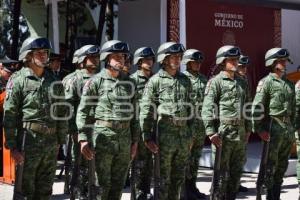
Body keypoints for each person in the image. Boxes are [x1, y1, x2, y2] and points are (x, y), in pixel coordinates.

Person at [3, 36, 68, 199]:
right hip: (28, 143)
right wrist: (13, 147)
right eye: (39, 53)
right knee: (24, 191)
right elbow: (9, 115)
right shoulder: (18, 80)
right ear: (28, 56)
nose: (44, 56)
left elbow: (61, 113)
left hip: (50, 144)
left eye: (45, 53)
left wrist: (60, 141)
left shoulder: (55, 82)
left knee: (45, 191)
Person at [76, 40, 139, 200]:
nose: (121, 60)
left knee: (118, 186)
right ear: (107, 58)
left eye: (123, 56)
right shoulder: (96, 81)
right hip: (103, 139)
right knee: (101, 186)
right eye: (116, 56)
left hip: (124, 140)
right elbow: (83, 111)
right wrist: (83, 138)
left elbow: (135, 114)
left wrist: (135, 141)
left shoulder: (130, 82)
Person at [139, 41, 193, 200]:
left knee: (178, 179)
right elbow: (147, 110)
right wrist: (147, 137)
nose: (177, 60)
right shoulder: (155, 81)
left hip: (183, 136)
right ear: (164, 59)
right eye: (173, 57)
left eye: (179, 56)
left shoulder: (185, 80)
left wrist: (190, 134)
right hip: (164, 135)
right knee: (162, 179)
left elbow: (191, 110)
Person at [201, 45, 251, 199]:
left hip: (240, 133)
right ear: (223, 61)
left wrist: (248, 129)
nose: (235, 62)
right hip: (224, 133)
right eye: (232, 60)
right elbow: (207, 108)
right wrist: (211, 132)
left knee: (236, 176)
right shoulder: (215, 82)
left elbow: (248, 107)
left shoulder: (242, 82)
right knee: (221, 177)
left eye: (236, 59)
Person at [252, 48, 295, 199]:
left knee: (282, 167)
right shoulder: (266, 82)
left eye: (284, 61)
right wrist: (259, 129)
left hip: (287, 130)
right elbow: (258, 107)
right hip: (273, 129)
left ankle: (276, 196)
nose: (284, 63)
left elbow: (294, 108)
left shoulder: (289, 84)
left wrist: (293, 127)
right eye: (281, 61)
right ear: (272, 63)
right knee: (270, 167)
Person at [62, 44, 101, 198]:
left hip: (98, 131)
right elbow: (67, 109)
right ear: (83, 60)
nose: (96, 60)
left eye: (97, 57)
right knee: (78, 168)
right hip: (80, 131)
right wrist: (75, 132)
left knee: (96, 170)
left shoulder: (101, 77)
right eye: (92, 57)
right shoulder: (73, 79)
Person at [130, 46, 156, 200]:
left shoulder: (154, 79)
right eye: (146, 59)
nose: (149, 62)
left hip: (151, 125)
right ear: (139, 62)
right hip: (138, 126)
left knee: (148, 163)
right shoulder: (132, 80)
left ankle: (146, 191)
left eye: (151, 59)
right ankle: (138, 193)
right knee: (139, 163)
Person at [181, 49, 207, 200]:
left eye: (199, 62)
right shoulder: (183, 79)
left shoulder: (204, 79)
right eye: (194, 62)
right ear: (188, 63)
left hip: (201, 126)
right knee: (186, 159)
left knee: (196, 159)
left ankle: (192, 186)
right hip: (188, 126)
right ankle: (184, 190)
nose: (197, 64)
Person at [236, 55, 251, 193]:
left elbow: (248, 106)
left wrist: (248, 128)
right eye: (241, 66)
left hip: (242, 125)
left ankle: (237, 182)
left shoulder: (245, 81)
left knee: (241, 157)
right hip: (228, 127)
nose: (244, 69)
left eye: (245, 67)